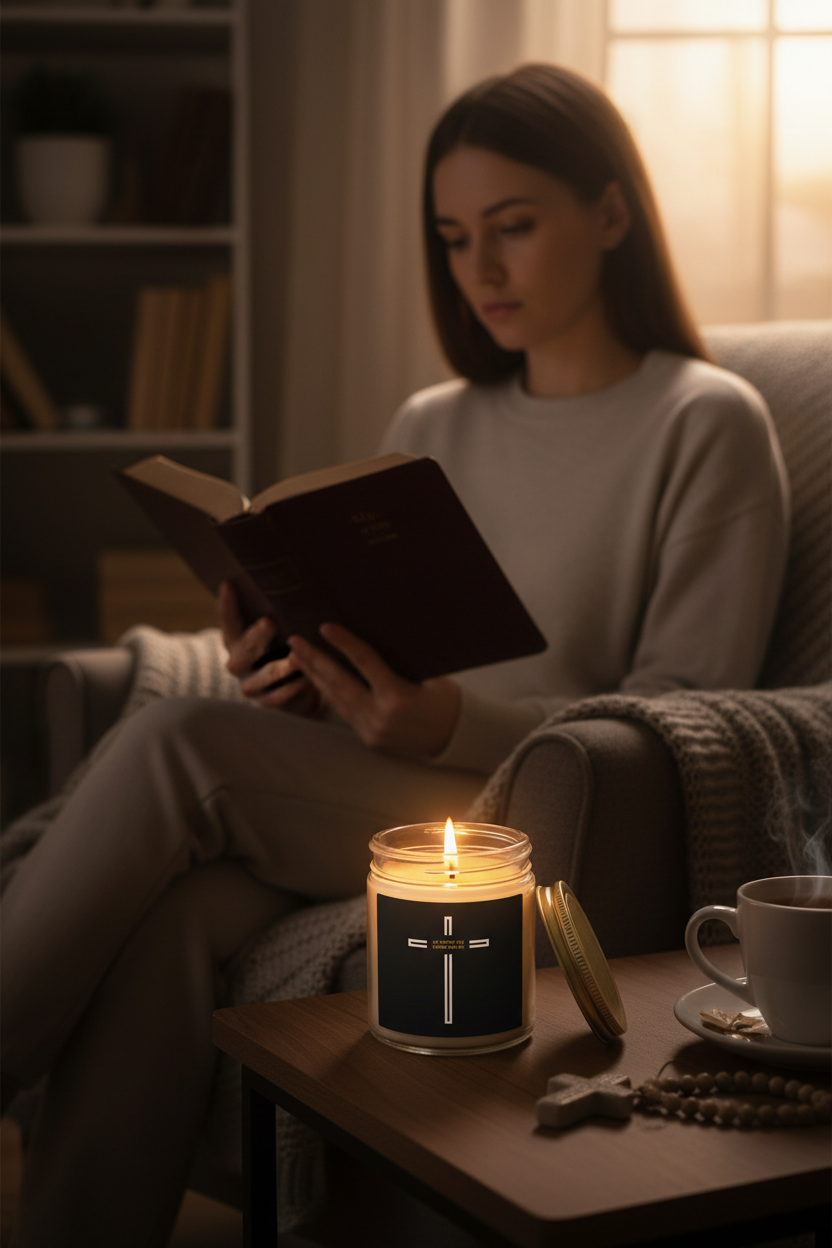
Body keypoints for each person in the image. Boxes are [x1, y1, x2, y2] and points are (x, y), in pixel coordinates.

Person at [1, 63, 788, 1246]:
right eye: (455, 235)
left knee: (178, 743)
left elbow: (680, 719)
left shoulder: (705, 419)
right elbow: (382, 649)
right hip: (390, 784)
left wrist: (447, 725)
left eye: (514, 228)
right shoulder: (432, 423)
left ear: (612, 213)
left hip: (538, 817)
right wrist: (294, 668)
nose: (481, 270)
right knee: (181, 914)